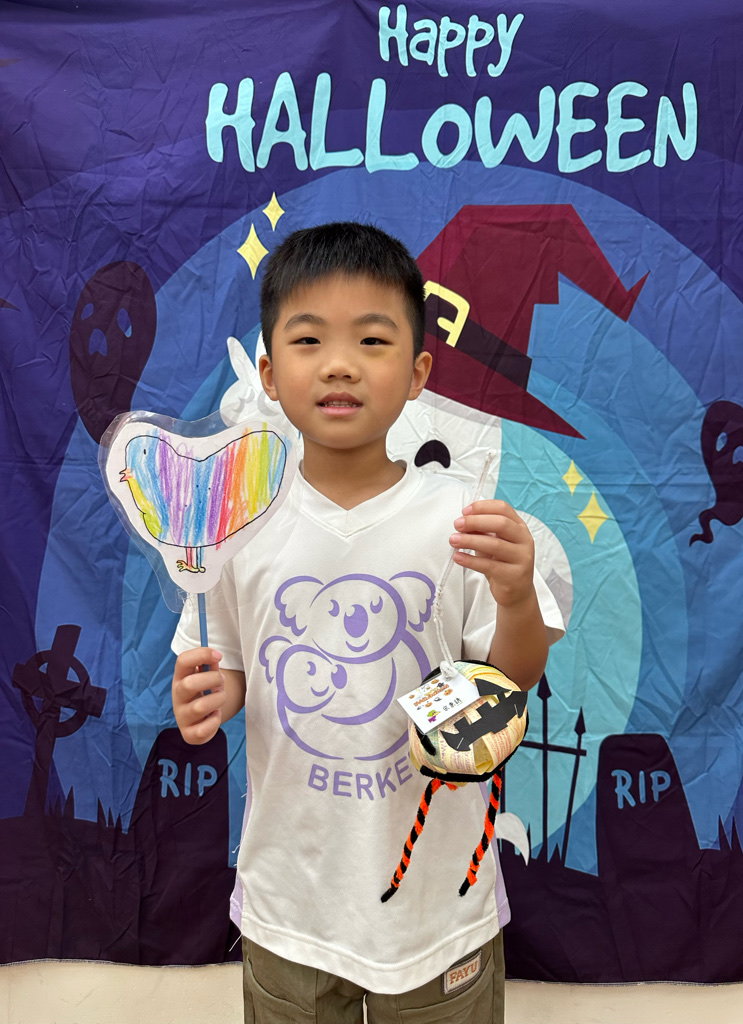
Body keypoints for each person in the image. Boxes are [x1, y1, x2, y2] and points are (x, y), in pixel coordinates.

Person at [171, 222, 565, 1023]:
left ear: (418, 373)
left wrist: (518, 597)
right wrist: (215, 691)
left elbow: (511, 681)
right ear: (270, 374)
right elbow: (233, 661)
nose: (340, 364)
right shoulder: (239, 522)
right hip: (290, 902)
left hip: (436, 910)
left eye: (373, 340)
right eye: (309, 339)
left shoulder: (461, 519)